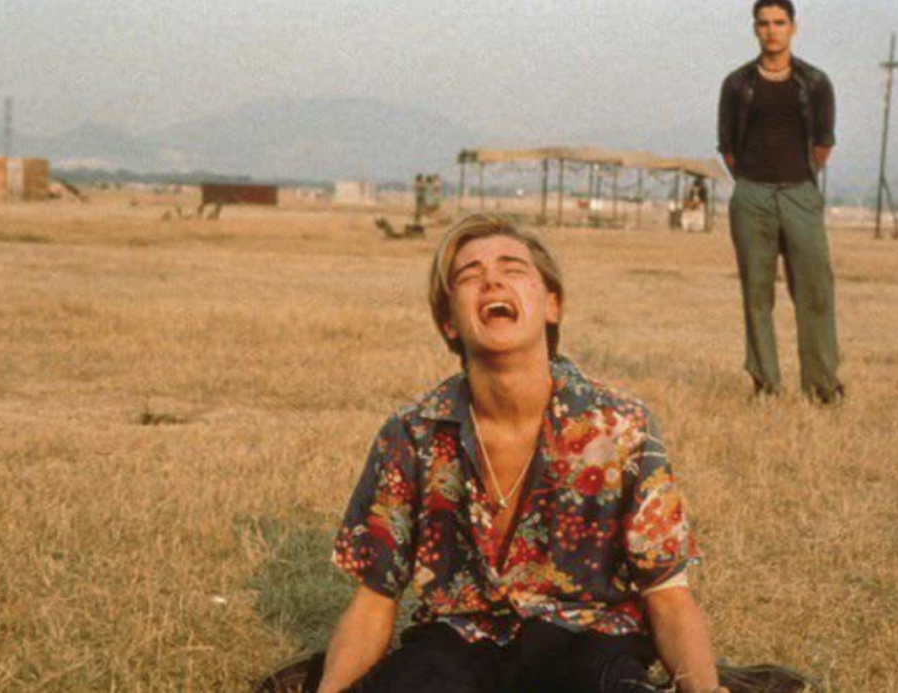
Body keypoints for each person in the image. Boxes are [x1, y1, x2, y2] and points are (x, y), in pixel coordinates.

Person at [320, 214, 728, 693]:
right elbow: (374, 601)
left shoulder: (621, 426)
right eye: (469, 274)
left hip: (586, 638)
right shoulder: (411, 434)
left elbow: (668, 596)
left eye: (513, 268)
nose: (491, 278)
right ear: (449, 321)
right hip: (456, 643)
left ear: (551, 303)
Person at [717, 0, 844, 403]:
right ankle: (765, 383)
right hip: (752, 194)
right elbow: (729, 148)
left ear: (793, 27)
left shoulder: (815, 82)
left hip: (800, 193)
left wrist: (796, 180)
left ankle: (822, 385)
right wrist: (755, 183)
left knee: (815, 291)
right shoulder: (737, 84)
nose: (772, 30)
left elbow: (823, 144)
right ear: (755, 29)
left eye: (779, 22)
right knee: (756, 293)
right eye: (764, 23)